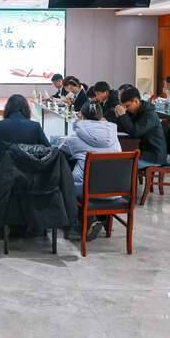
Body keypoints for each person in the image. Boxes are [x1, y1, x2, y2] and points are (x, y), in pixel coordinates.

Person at [59, 102, 122, 241]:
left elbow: (59, 155)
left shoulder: (75, 138)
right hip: (115, 189)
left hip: (87, 190)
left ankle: (76, 221)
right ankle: (97, 217)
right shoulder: (113, 136)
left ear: (81, 115)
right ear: (101, 116)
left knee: (65, 181)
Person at [0, 94, 49, 167]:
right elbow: (47, 149)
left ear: (7, 109)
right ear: (26, 109)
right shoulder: (35, 126)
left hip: (6, 170)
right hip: (30, 170)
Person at [114, 86, 167, 166]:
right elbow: (123, 128)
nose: (126, 109)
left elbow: (135, 132)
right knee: (115, 160)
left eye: (127, 106)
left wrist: (123, 116)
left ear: (136, 101)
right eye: (124, 107)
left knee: (121, 165)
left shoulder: (149, 115)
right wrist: (119, 116)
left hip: (153, 156)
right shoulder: (136, 111)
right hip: (142, 152)